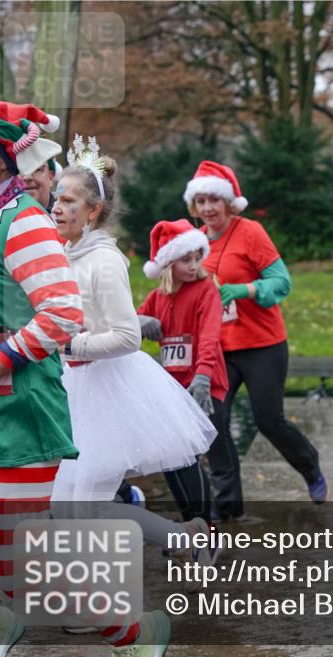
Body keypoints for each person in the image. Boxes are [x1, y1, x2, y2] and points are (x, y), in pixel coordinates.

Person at [0, 103, 168, 657]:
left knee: (23, 571)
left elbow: (60, 313)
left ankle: (136, 634)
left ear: (6, 158)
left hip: (18, 412)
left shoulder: (24, 221)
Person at [51, 138, 218, 573]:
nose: (56, 207)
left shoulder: (103, 260)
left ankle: (99, 602)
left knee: (84, 510)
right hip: (71, 388)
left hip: (105, 391)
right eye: (55, 198)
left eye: (67, 200)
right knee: (67, 507)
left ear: (92, 212)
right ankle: (182, 538)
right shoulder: (68, 253)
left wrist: (69, 344)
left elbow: (126, 336)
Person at [183, 160, 328, 517]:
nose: (207, 209)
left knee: (268, 420)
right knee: (213, 418)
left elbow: (282, 283)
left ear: (228, 202)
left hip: (262, 344)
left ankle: (309, 465)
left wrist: (244, 289)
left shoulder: (250, 233)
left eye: (213, 201)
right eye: (200, 202)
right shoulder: (195, 242)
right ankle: (227, 502)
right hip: (220, 348)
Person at [138, 219, 230, 524]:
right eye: (185, 260)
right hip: (172, 389)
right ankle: (192, 521)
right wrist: (140, 323)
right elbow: (130, 322)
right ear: (167, 264)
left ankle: (204, 523)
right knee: (172, 456)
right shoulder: (158, 297)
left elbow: (209, 334)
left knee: (188, 455)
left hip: (203, 383)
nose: (193, 266)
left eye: (197, 258)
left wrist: (203, 376)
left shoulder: (206, 289)